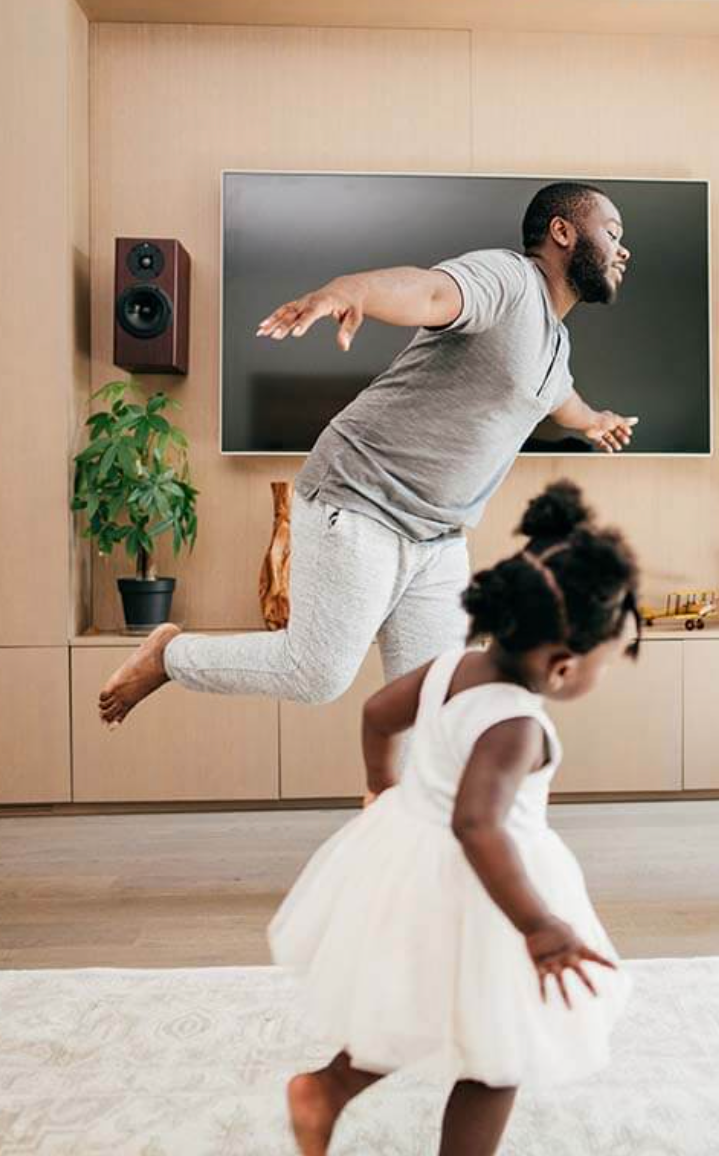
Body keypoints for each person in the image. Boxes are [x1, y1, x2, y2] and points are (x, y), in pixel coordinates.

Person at [98, 183, 639, 725]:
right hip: (361, 500)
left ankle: (406, 807)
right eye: (612, 233)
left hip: (439, 537)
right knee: (316, 674)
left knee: (439, 702)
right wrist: (351, 290)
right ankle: (168, 656)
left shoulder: (555, 345)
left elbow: (558, 398)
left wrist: (596, 421)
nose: (623, 250)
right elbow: (429, 293)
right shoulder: (508, 280)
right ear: (562, 232)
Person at [269, 482, 636, 1156]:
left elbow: (378, 714)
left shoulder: (450, 668)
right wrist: (540, 925)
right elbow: (478, 825)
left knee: (416, 1004)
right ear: (561, 668)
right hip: (491, 889)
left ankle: (326, 1089)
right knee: (499, 1054)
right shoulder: (518, 726)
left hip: (413, 863)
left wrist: (383, 784)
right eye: (606, 662)